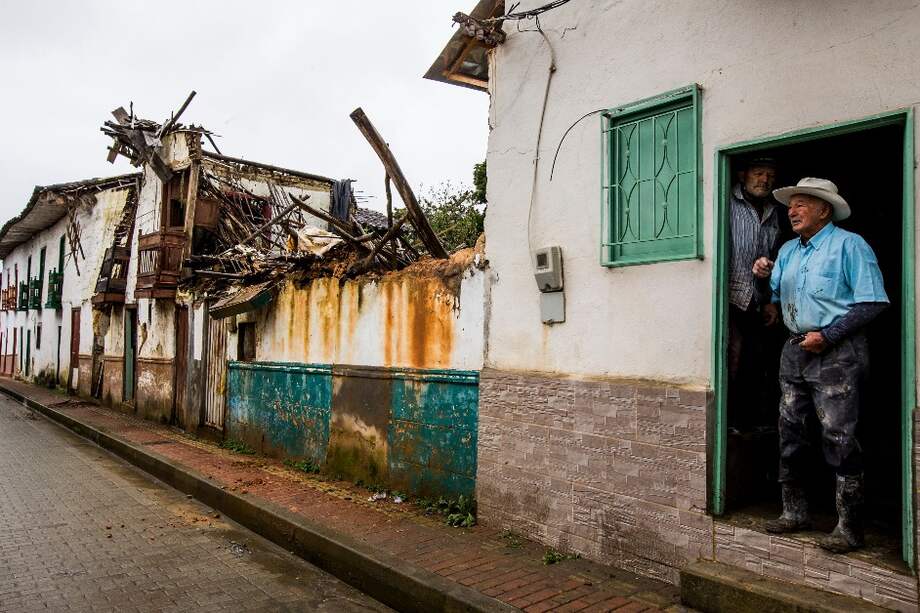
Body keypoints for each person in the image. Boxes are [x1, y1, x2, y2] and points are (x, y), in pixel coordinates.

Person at [759, 177, 888, 553]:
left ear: (824, 210)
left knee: (839, 436)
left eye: (801, 204)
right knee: (790, 431)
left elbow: (872, 302)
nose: (792, 211)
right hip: (794, 348)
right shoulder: (788, 250)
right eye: (790, 205)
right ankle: (794, 512)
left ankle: (849, 527)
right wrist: (763, 277)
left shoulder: (850, 245)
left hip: (837, 352)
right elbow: (775, 295)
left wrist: (828, 335)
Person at [727, 157, 784, 431]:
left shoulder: (774, 211)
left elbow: (774, 258)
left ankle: (747, 423)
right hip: (729, 298)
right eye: (758, 173)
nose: (765, 180)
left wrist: (772, 299)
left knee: (757, 360)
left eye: (770, 175)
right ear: (742, 175)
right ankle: (731, 422)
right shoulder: (726, 203)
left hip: (758, 299)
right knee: (732, 360)